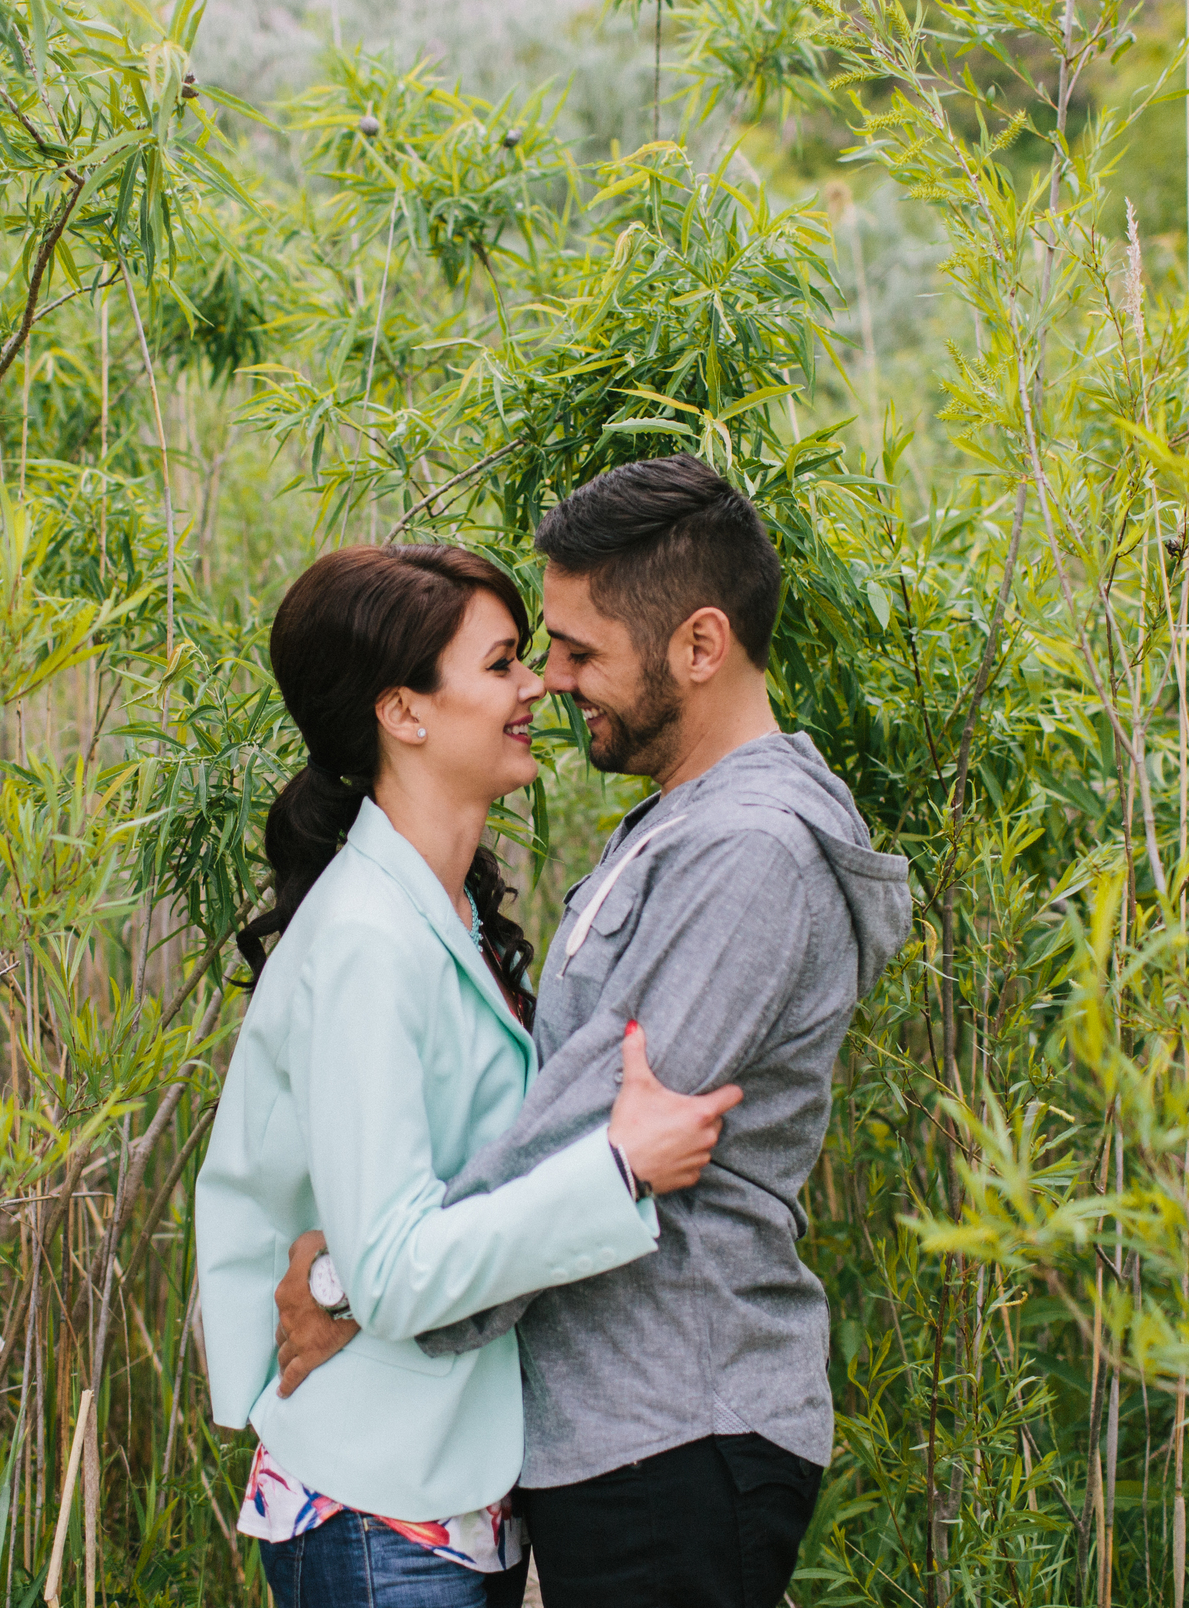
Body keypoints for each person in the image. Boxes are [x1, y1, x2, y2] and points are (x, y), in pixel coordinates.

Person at [272, 456, 912, 1608]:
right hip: (618, 1429)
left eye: (577, 650)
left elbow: (590, 1126)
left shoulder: (749, 852)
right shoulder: (682, 824)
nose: (555, 683)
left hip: (676, 1423)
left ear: (699, 645)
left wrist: (377, 1286)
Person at [193, 542, 745, 1608]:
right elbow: (399, 1265)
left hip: (453, 1506)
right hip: (380, 1514)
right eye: (500, 664)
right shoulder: (365, 941)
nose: (536, 683)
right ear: (404, 711)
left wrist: (336, 1272)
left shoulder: (444, 917)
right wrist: (619, 1170)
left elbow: (401, 1219)